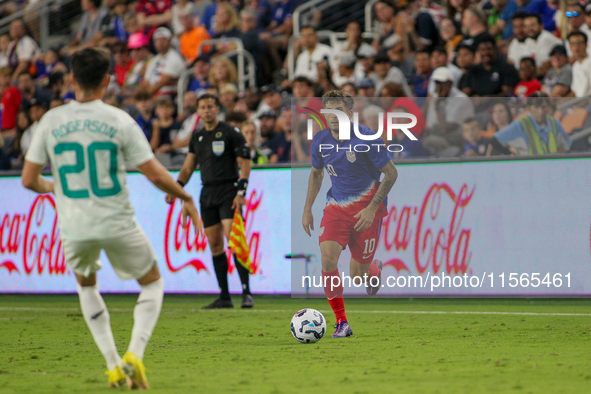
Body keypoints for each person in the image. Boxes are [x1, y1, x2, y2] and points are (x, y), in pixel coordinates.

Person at [21, 47, 201, 389]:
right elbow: (155, 174)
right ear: (107, 81)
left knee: (86, 285)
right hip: (117, 222)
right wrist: (186, 196)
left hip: (74, 226)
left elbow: (29, 180)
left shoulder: (50, 121)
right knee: (152, 282)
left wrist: (55, 185)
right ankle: (134, 354)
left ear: (71, 80)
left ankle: (112, 364)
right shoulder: (120, 120)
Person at [302, 90, 398, 338]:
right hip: (335, 208)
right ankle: (342, 322)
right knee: (327, 259)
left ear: (350, 113)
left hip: (367, 213)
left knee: (358, 275)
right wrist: (307, 209)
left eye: (340, 111)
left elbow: (391, 174)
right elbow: (316, 174)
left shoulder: (367, 138)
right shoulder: (320, 140)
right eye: (330, 111)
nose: (334, 117)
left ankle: (373, 271)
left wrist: (372, 208)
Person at [166, 94, 254, 309]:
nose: (206, 110)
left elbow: (245, 163)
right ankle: (224, 296)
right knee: (215, 244)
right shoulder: (197, 137)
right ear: (198, 112)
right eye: (203, 107)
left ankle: (246, 293)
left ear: (217, 109)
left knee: (233, 239)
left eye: (210, 107)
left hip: (228, 191)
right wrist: (176, 188)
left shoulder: (230, 132)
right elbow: (188, 167)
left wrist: (241, 192)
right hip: (208, 193)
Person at [489, 92, 571, 155]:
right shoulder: (521, 125)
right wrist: (510, 155)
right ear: (529, 109)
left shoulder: (554, 123)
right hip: (529, 172)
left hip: (552, 171)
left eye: (544, 107)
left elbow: (568, 147)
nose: (540, 111)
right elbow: (495, 141)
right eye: (536, 107)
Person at [568, 31, 591, 97]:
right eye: (573, 44)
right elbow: (574, 91)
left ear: (586, 45)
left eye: (579, 43)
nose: (576, 47)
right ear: (570, 47)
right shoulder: (575, 66)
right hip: (578, 103)